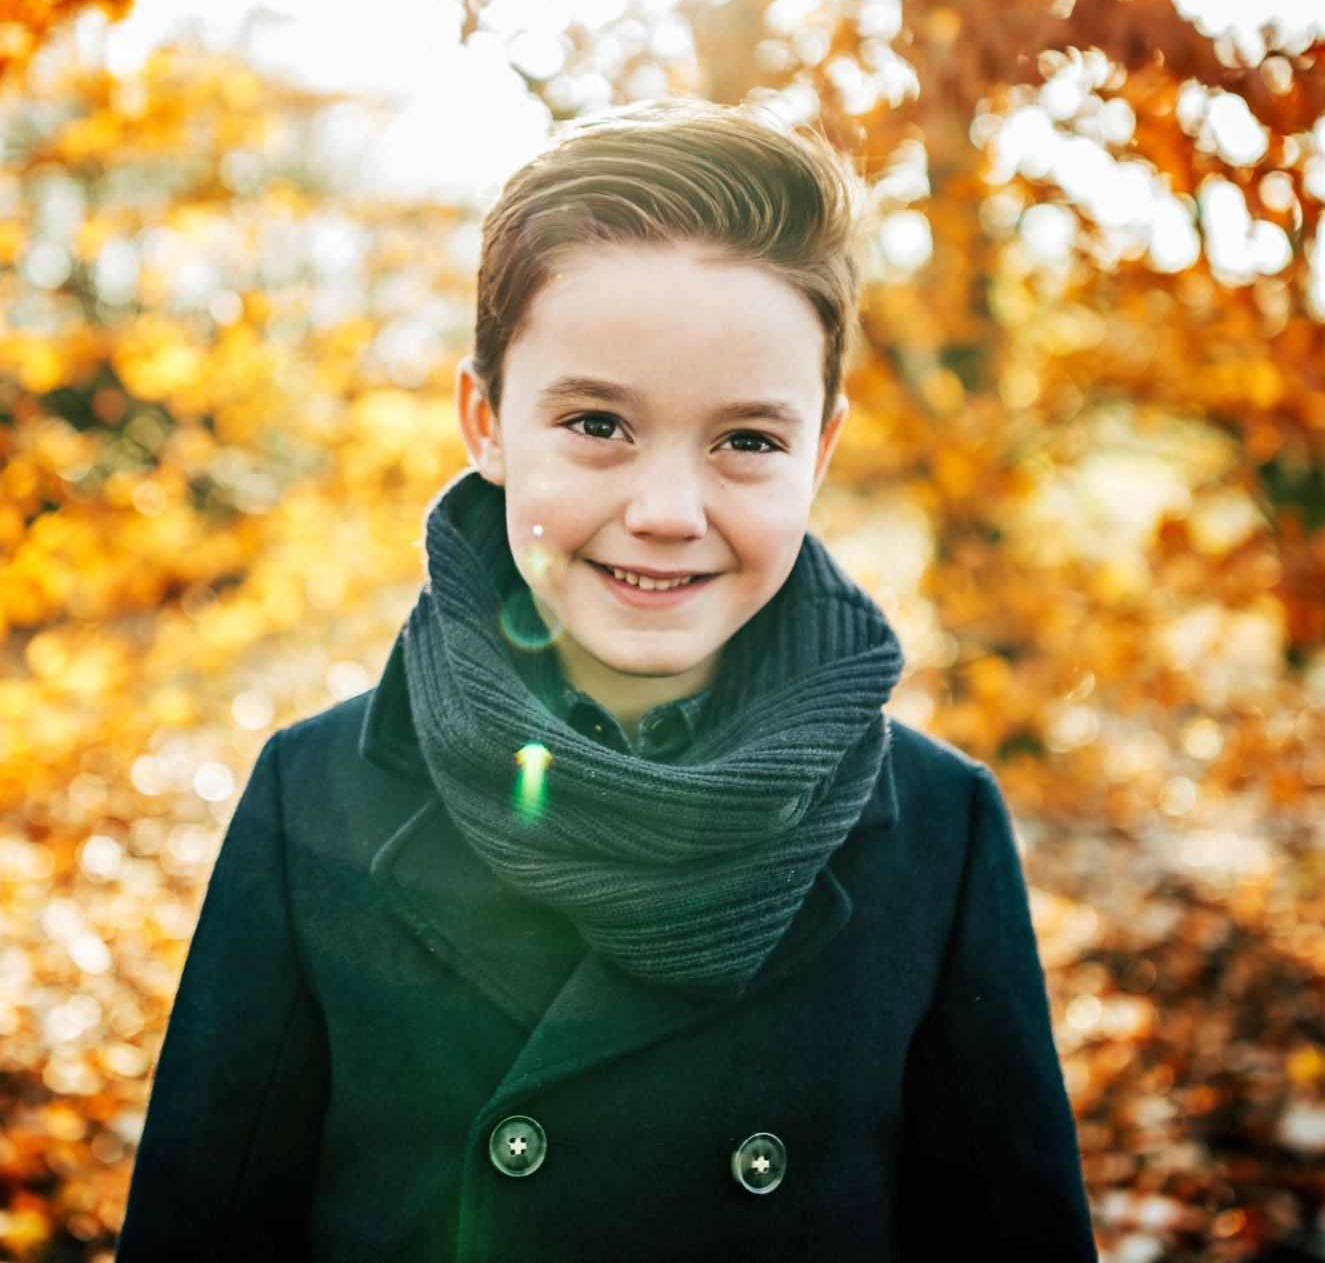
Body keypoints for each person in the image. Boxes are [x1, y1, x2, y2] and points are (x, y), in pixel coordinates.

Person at [117, 99, 1098, 1260]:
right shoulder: (315, 797)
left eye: (747, 440)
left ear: (821, 453)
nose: (667, 513)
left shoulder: (937, 831)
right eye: (596, 423)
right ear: (485, 421)